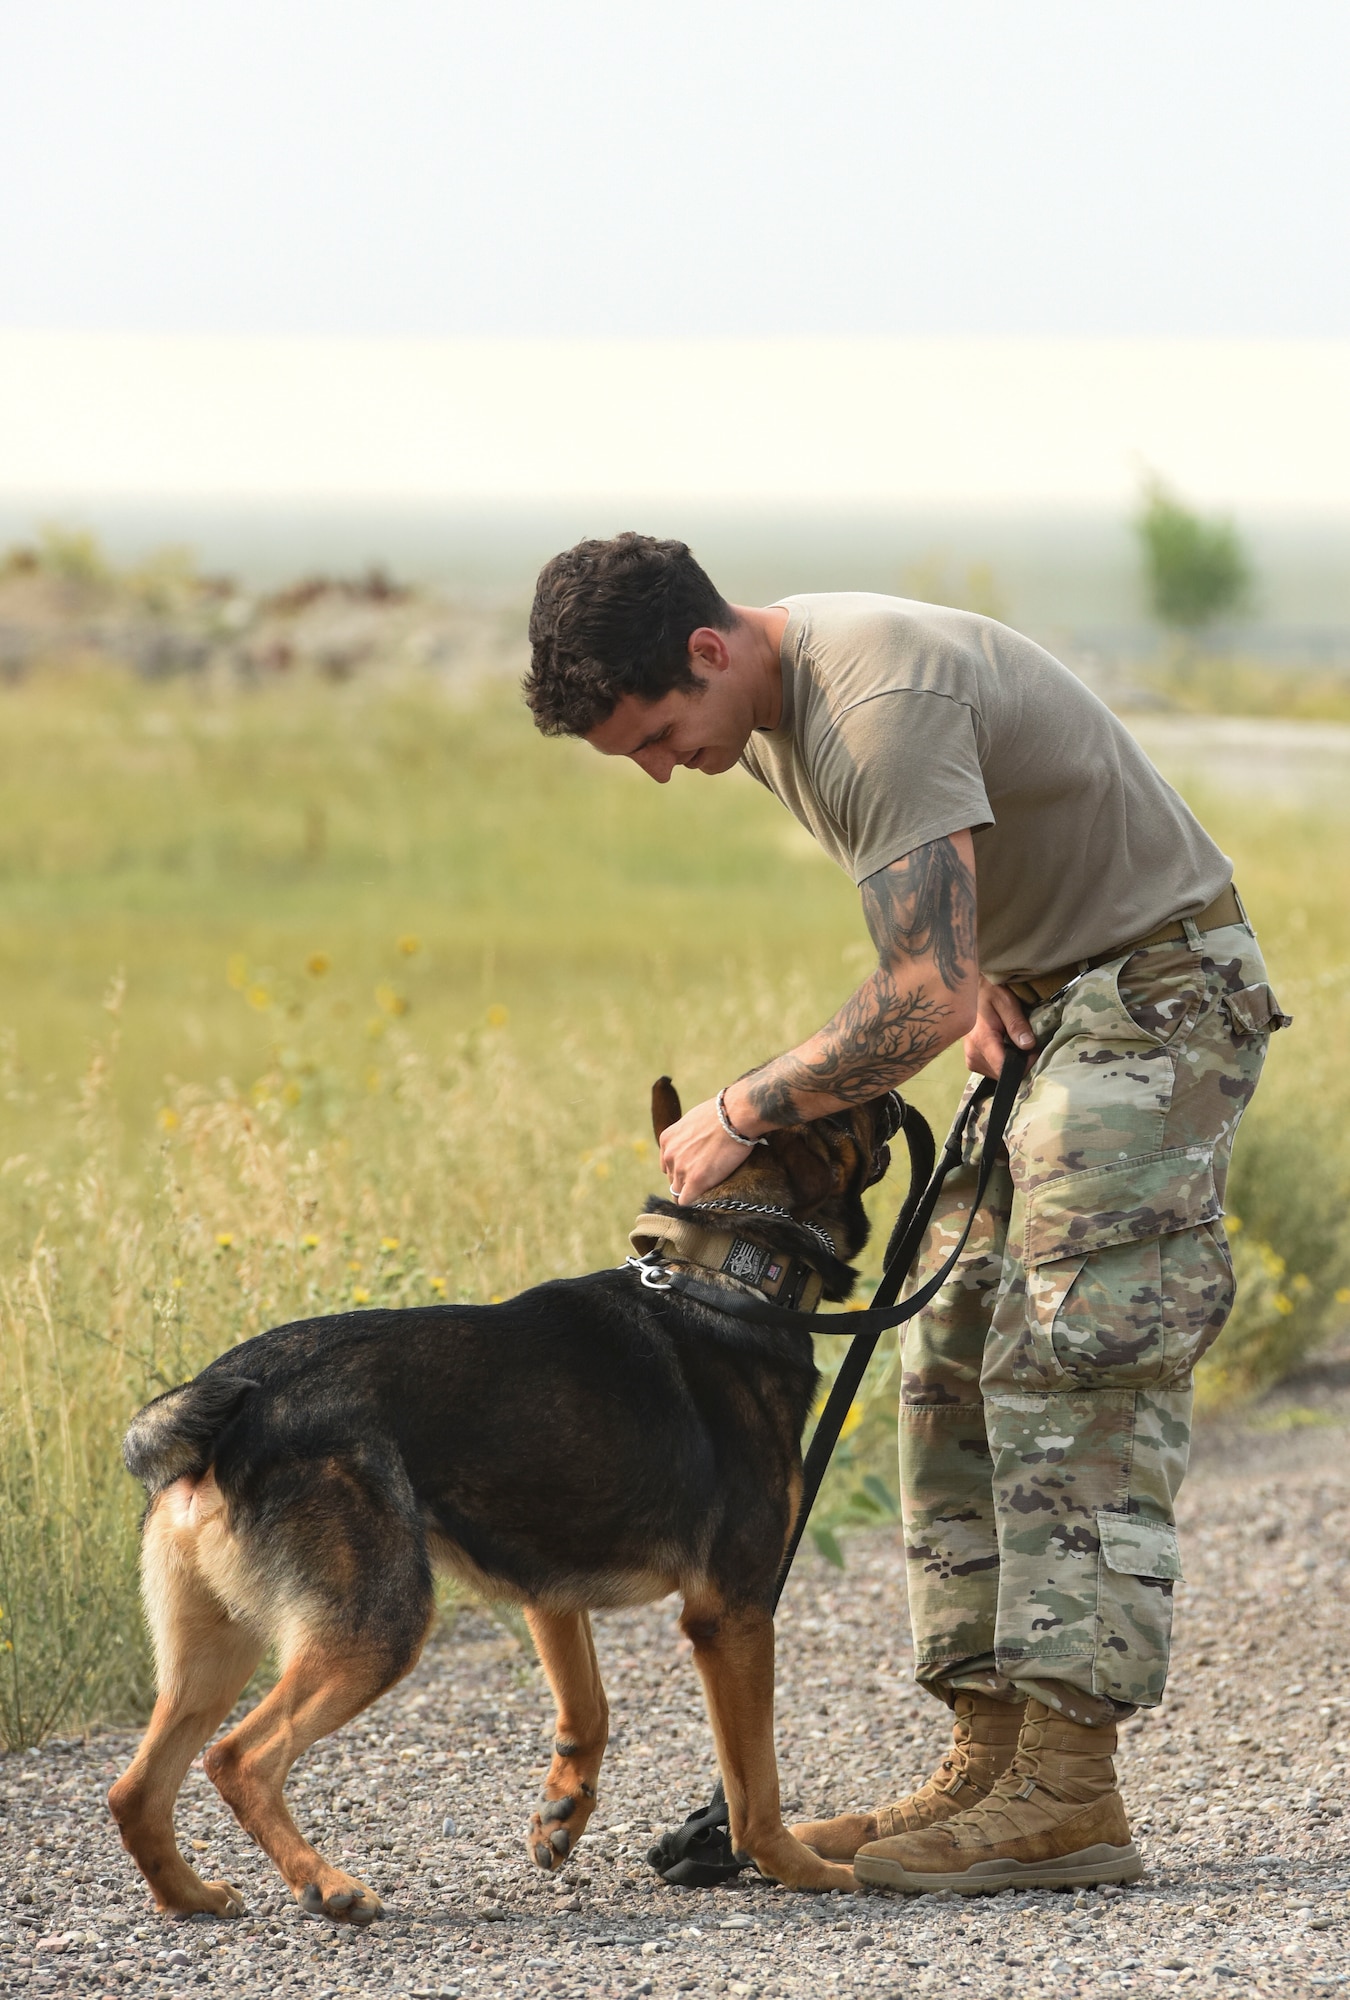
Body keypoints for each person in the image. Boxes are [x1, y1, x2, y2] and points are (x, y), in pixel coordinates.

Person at [522, 532, 1287, 1895]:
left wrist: (744, 1110)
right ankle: (986, 1766)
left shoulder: (870, 698)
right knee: (942, 1368)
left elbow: (915, 1000)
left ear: (709, 648)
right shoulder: (763, 719)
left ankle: (1064, 1793)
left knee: (1067, 1365)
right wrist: (984, 965)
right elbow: (944, 950)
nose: (659, 769)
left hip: (1155, 1002)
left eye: (656, 734)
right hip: (1054, 1008)